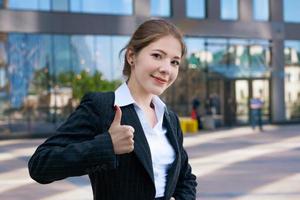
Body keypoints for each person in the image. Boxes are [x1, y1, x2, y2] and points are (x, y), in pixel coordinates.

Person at [28, 19, 197, 200]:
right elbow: (40, 165)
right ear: (131, 56)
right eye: (157, 56)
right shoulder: (101, 107)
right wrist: (107, 145)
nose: (166, 69)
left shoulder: (169, 118)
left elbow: (185, 178)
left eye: (174, 62)